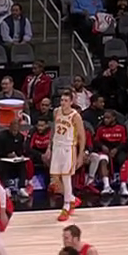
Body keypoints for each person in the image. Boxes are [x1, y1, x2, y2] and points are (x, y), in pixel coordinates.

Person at [51, 90, 85, 221]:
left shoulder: (75, 116)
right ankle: (72, 198)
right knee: (55, 178)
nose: (63, 103)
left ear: (71, 102)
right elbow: (54, 130)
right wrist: (49, 146)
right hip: (56, 146)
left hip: (68, 148)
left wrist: (80, 155)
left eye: (66, 101)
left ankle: (66, 207)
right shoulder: (56, 112)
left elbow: (82, 136)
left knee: (66, 177)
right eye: (61, 100)